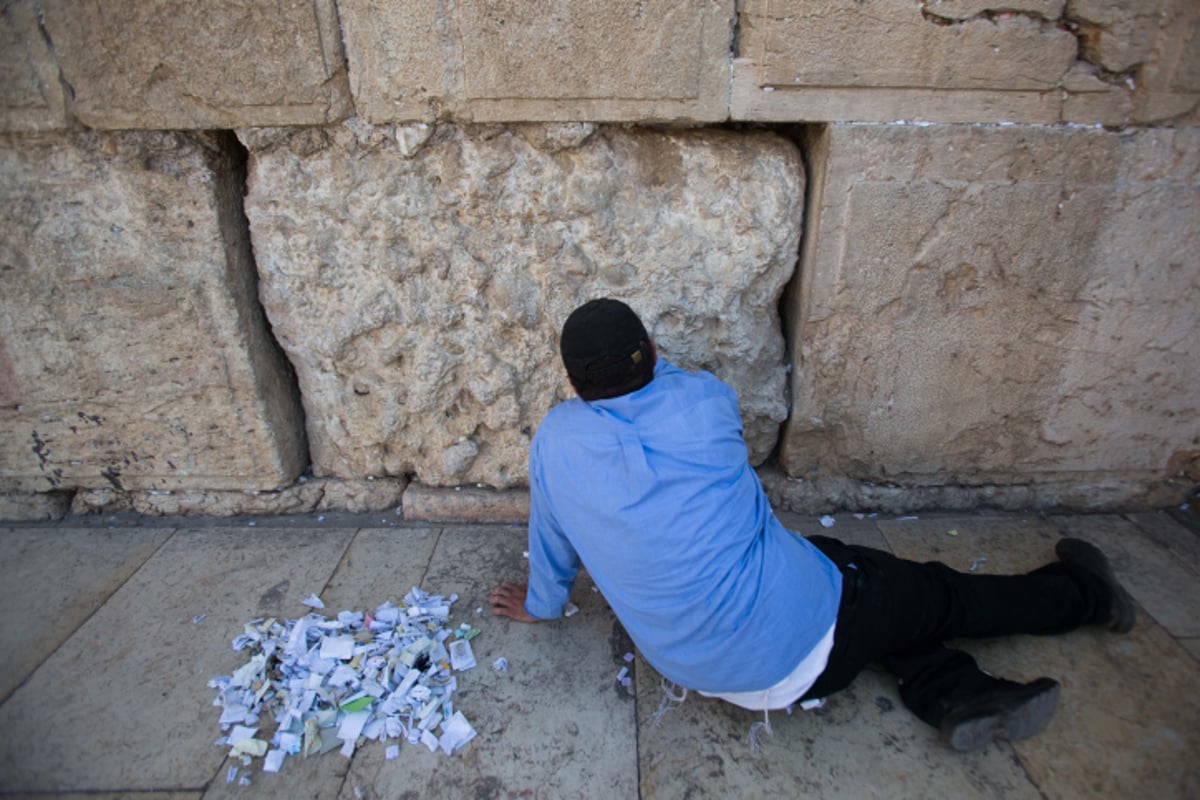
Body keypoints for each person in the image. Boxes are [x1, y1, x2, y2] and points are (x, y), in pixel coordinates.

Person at [490, 298, 1136, 751]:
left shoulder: (555, 442)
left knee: (847, 570)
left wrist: (543, 606)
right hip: (797, 637)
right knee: (933, 593)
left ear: (572, 385)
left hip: (688, 662)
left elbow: (551, 544)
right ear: (654, 353)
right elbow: (674, 384)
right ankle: (1086, 596)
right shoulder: (703, 401)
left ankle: (954, 693)